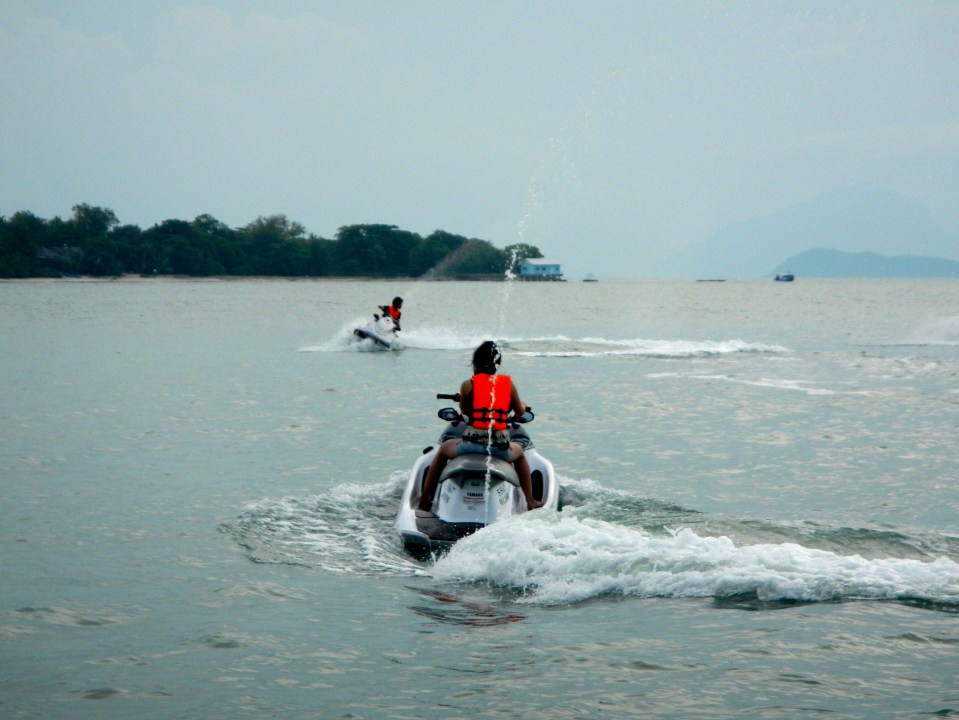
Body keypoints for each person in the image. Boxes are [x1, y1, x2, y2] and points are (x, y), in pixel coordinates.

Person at [418, 340, 542, 514]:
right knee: (520, 453)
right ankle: (530, 501)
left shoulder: (467, 384)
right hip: (499, 449)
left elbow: (465, 411)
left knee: (443, 450)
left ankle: (425, 499)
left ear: (475, 362)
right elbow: (520, 412)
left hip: (471, 446)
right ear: (497, 362)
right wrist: (520, 405)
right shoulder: (508, 384)